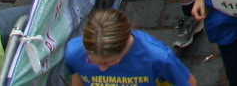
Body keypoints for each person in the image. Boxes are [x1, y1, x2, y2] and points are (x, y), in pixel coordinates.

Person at [64, 7, 195, 86]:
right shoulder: (74, 54)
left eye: (109, 62)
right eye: (92, 61)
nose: (102, 69)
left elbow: (188, 82)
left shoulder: (158, 57)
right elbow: (77, 76)